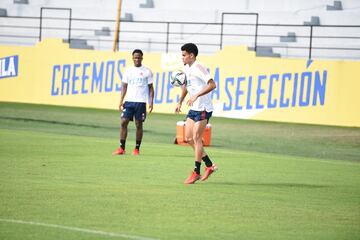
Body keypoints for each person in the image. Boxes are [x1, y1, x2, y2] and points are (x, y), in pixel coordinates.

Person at [175, 43, 218, 184]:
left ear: (191, 55)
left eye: (184, 55)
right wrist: (180, 102)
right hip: (194, 108)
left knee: (197, 137)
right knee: (188, 138)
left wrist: (197, 96)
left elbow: (212, 84)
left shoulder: (199, 68)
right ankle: (210, 165)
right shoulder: (186, 69)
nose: (182, 57)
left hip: (204, 108)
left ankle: (196, 172)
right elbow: (186, 87)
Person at [113, 49, 154, 156]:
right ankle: (122, 148)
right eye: (135, 57)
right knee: (123, 122)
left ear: (142, 58)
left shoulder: (147, 71)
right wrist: (121, 101)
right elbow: (124, 86)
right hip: (129, 102)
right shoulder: (128, 71)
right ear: (132, 58)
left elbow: (150, 88)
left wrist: (151, 102)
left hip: (140, 102)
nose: (137, 59)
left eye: (139, 57)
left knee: (138, 124)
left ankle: (137, 148)